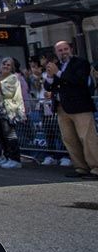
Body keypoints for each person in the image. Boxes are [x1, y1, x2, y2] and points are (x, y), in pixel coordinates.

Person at [44, 41, 98, 179]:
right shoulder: (58, 66)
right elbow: (49, 87)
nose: (63, 52)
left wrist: (59, 73)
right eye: (60, 50)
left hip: (80, 107)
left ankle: (96, 167)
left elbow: (79, 81)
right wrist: (50, 76)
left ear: (71, 49)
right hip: (62, 108)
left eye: (65, 49)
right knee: (69, 139)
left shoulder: (80, 62)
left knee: (87, 138)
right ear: (56, 53)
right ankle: (80, 167)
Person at [0, 58, 26, 169]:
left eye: (8, 65)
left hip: (8, 110)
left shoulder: (13, 78)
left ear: (12, 67)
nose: (6, 66)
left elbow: (7, 93)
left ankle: (15, 159)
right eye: (4, 64)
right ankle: (6, 156)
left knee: (10, 135)